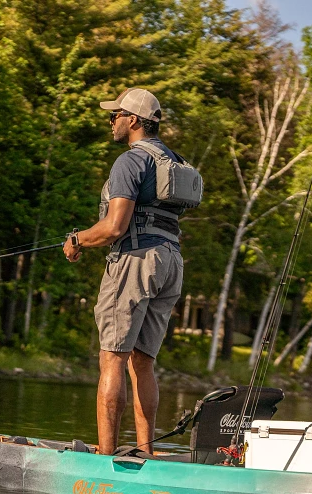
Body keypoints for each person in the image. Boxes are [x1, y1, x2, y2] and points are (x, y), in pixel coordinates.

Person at [63, 88, 185, 455]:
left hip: (135, 260)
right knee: (143, 361)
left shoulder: (130, 162)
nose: (111, 121)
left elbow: (115, 227)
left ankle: (106, 455)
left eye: (115, 115)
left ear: (133, 120)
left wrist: (78, 240)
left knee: (112, 355)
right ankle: (146, 451)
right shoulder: (172, 161)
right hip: (171, 261)